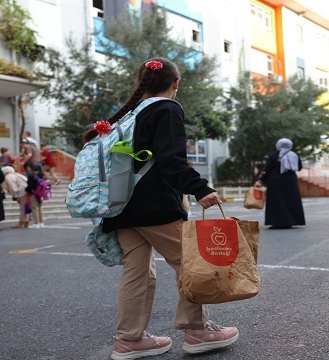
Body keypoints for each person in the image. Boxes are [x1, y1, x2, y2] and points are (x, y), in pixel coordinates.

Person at [94, 58, 237, 360]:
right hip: (154, 206)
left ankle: (129, 339)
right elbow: (171, 161)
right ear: (175, 84)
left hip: (120, 206)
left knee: (137, 274)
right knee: (192, 264)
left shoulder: (128, 115)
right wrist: (201, 189)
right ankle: (197, 331)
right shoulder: (167, 109)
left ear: (141, 84)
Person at [254, 138, 306, 229]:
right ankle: (292, 221)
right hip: (291, 181)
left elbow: (268, 169)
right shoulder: (295, 155)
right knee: (291, 200)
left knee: (277, 202)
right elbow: (300, 167)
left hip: (276, 181)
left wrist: (261, 181)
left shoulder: (274, 155)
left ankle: (276, 222)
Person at [24, 163, 45, 229]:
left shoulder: (31, 176)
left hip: (33, 194)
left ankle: (36, 223)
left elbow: (30, 187)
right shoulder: (40, 175)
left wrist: (26, 189)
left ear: (31, 168)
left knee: (34, 208)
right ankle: (41, 222)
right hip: (40, 193)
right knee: (39, 208)